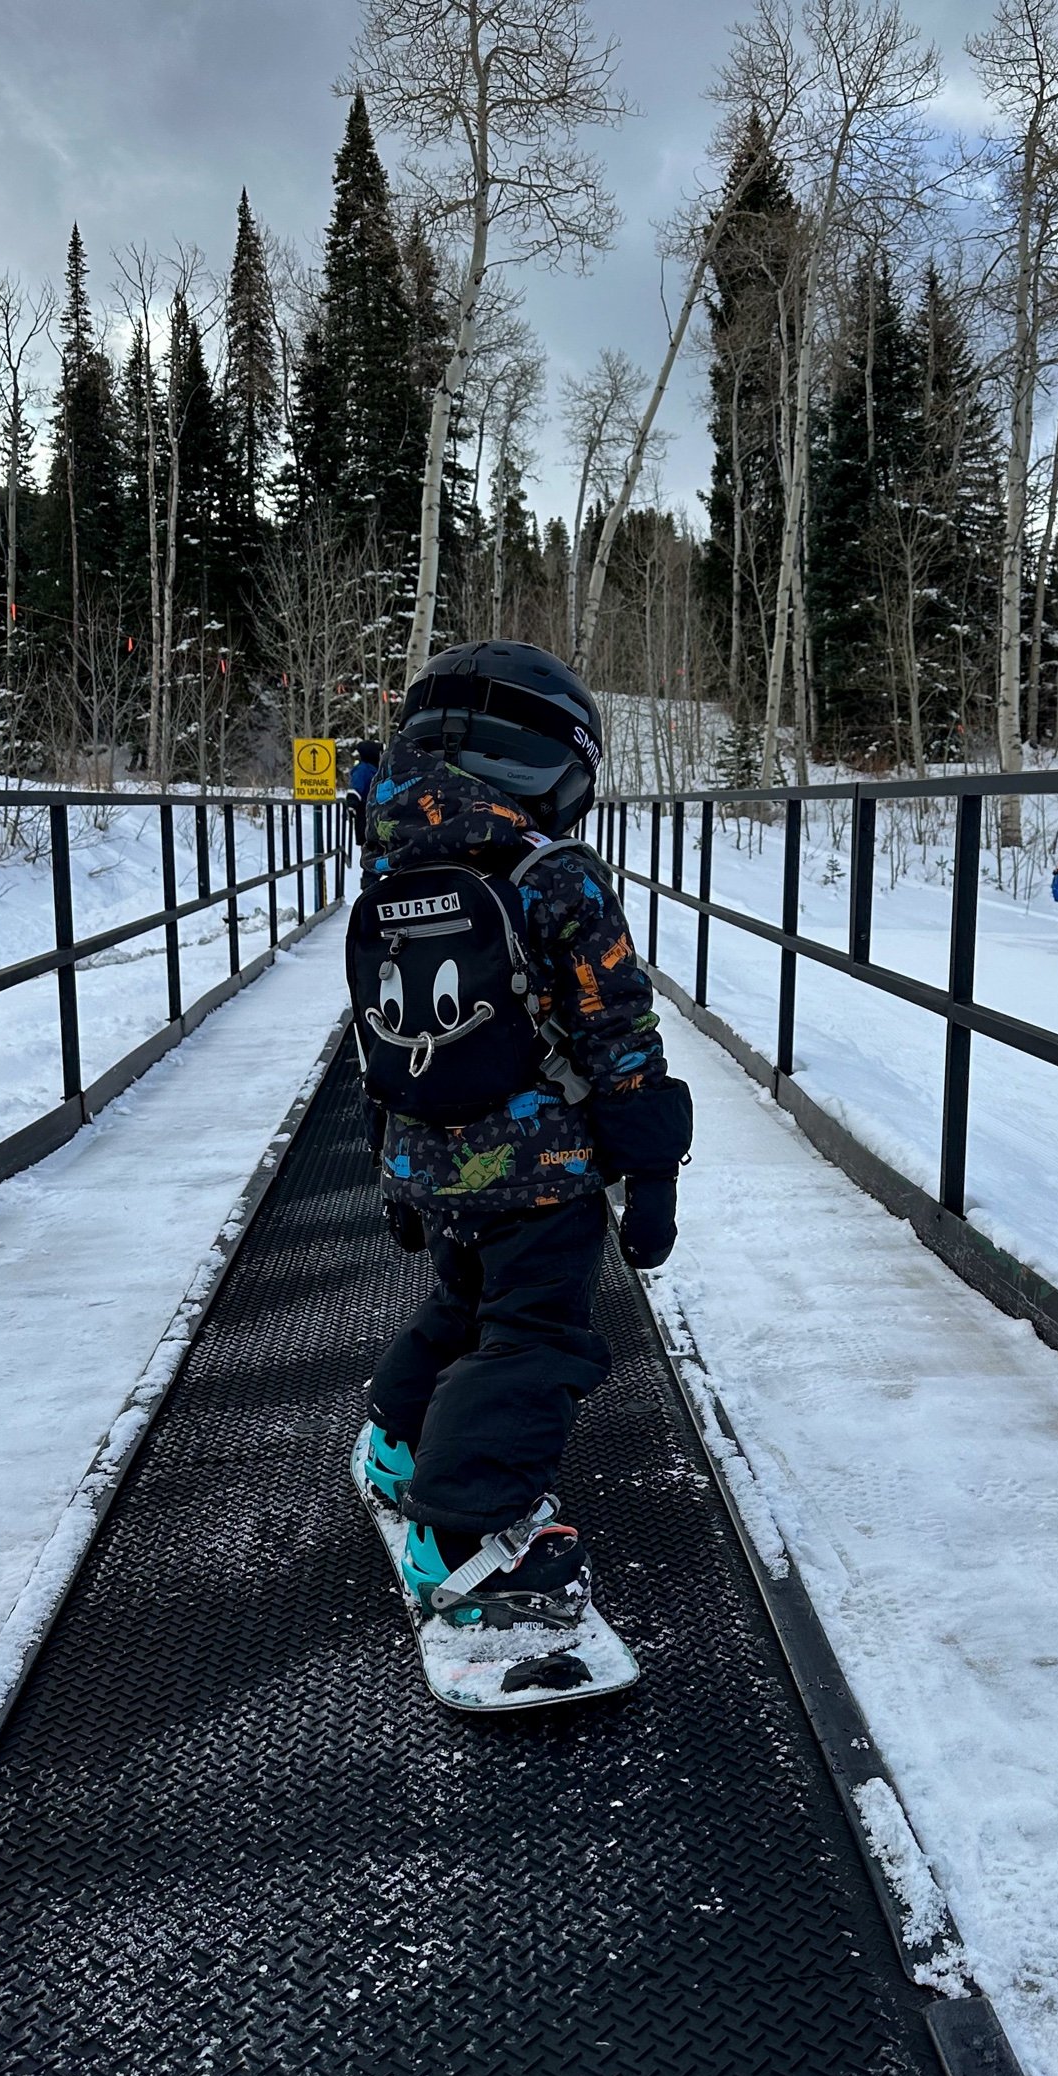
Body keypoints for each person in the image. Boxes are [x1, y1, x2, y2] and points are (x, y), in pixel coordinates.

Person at [346, 641, 692, 1630]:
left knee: (463, 1304)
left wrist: (391, 1170)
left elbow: (378, 1041)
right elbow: (616, 1026)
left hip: (424, 1157)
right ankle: (464, 1537)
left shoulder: (390, 869)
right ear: (548, 762)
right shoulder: (551, 871)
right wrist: (651, 1165)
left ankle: (399, 1442)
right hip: (539, 1170)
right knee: (537, 1335)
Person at [344, 737, 383, 844]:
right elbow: (355, 789)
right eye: (378, 752)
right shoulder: (363, 770)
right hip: (366, 814)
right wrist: (352, 804)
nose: (380, 755)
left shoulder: (374, 769)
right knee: (369, 846)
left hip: (374, 814)